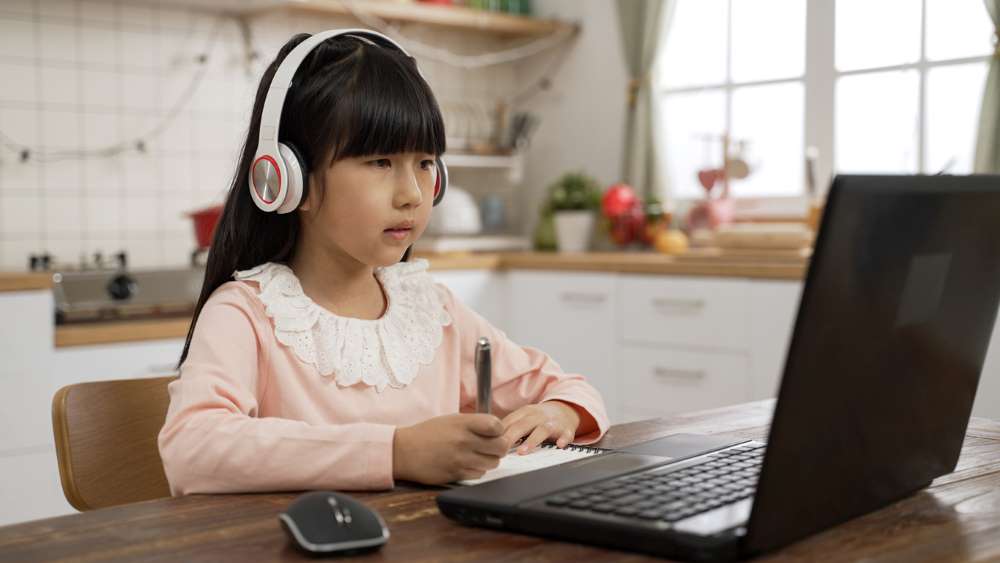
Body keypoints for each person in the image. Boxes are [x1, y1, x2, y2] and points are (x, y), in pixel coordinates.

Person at [158, 30, 608, 495]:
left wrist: (558, 411)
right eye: (380, 162)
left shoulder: (433, 311)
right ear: (289, 180)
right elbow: (192, 449)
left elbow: (569, 388)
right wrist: (395, 452)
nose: (412, 194)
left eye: (426, 163)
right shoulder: (245, 314)